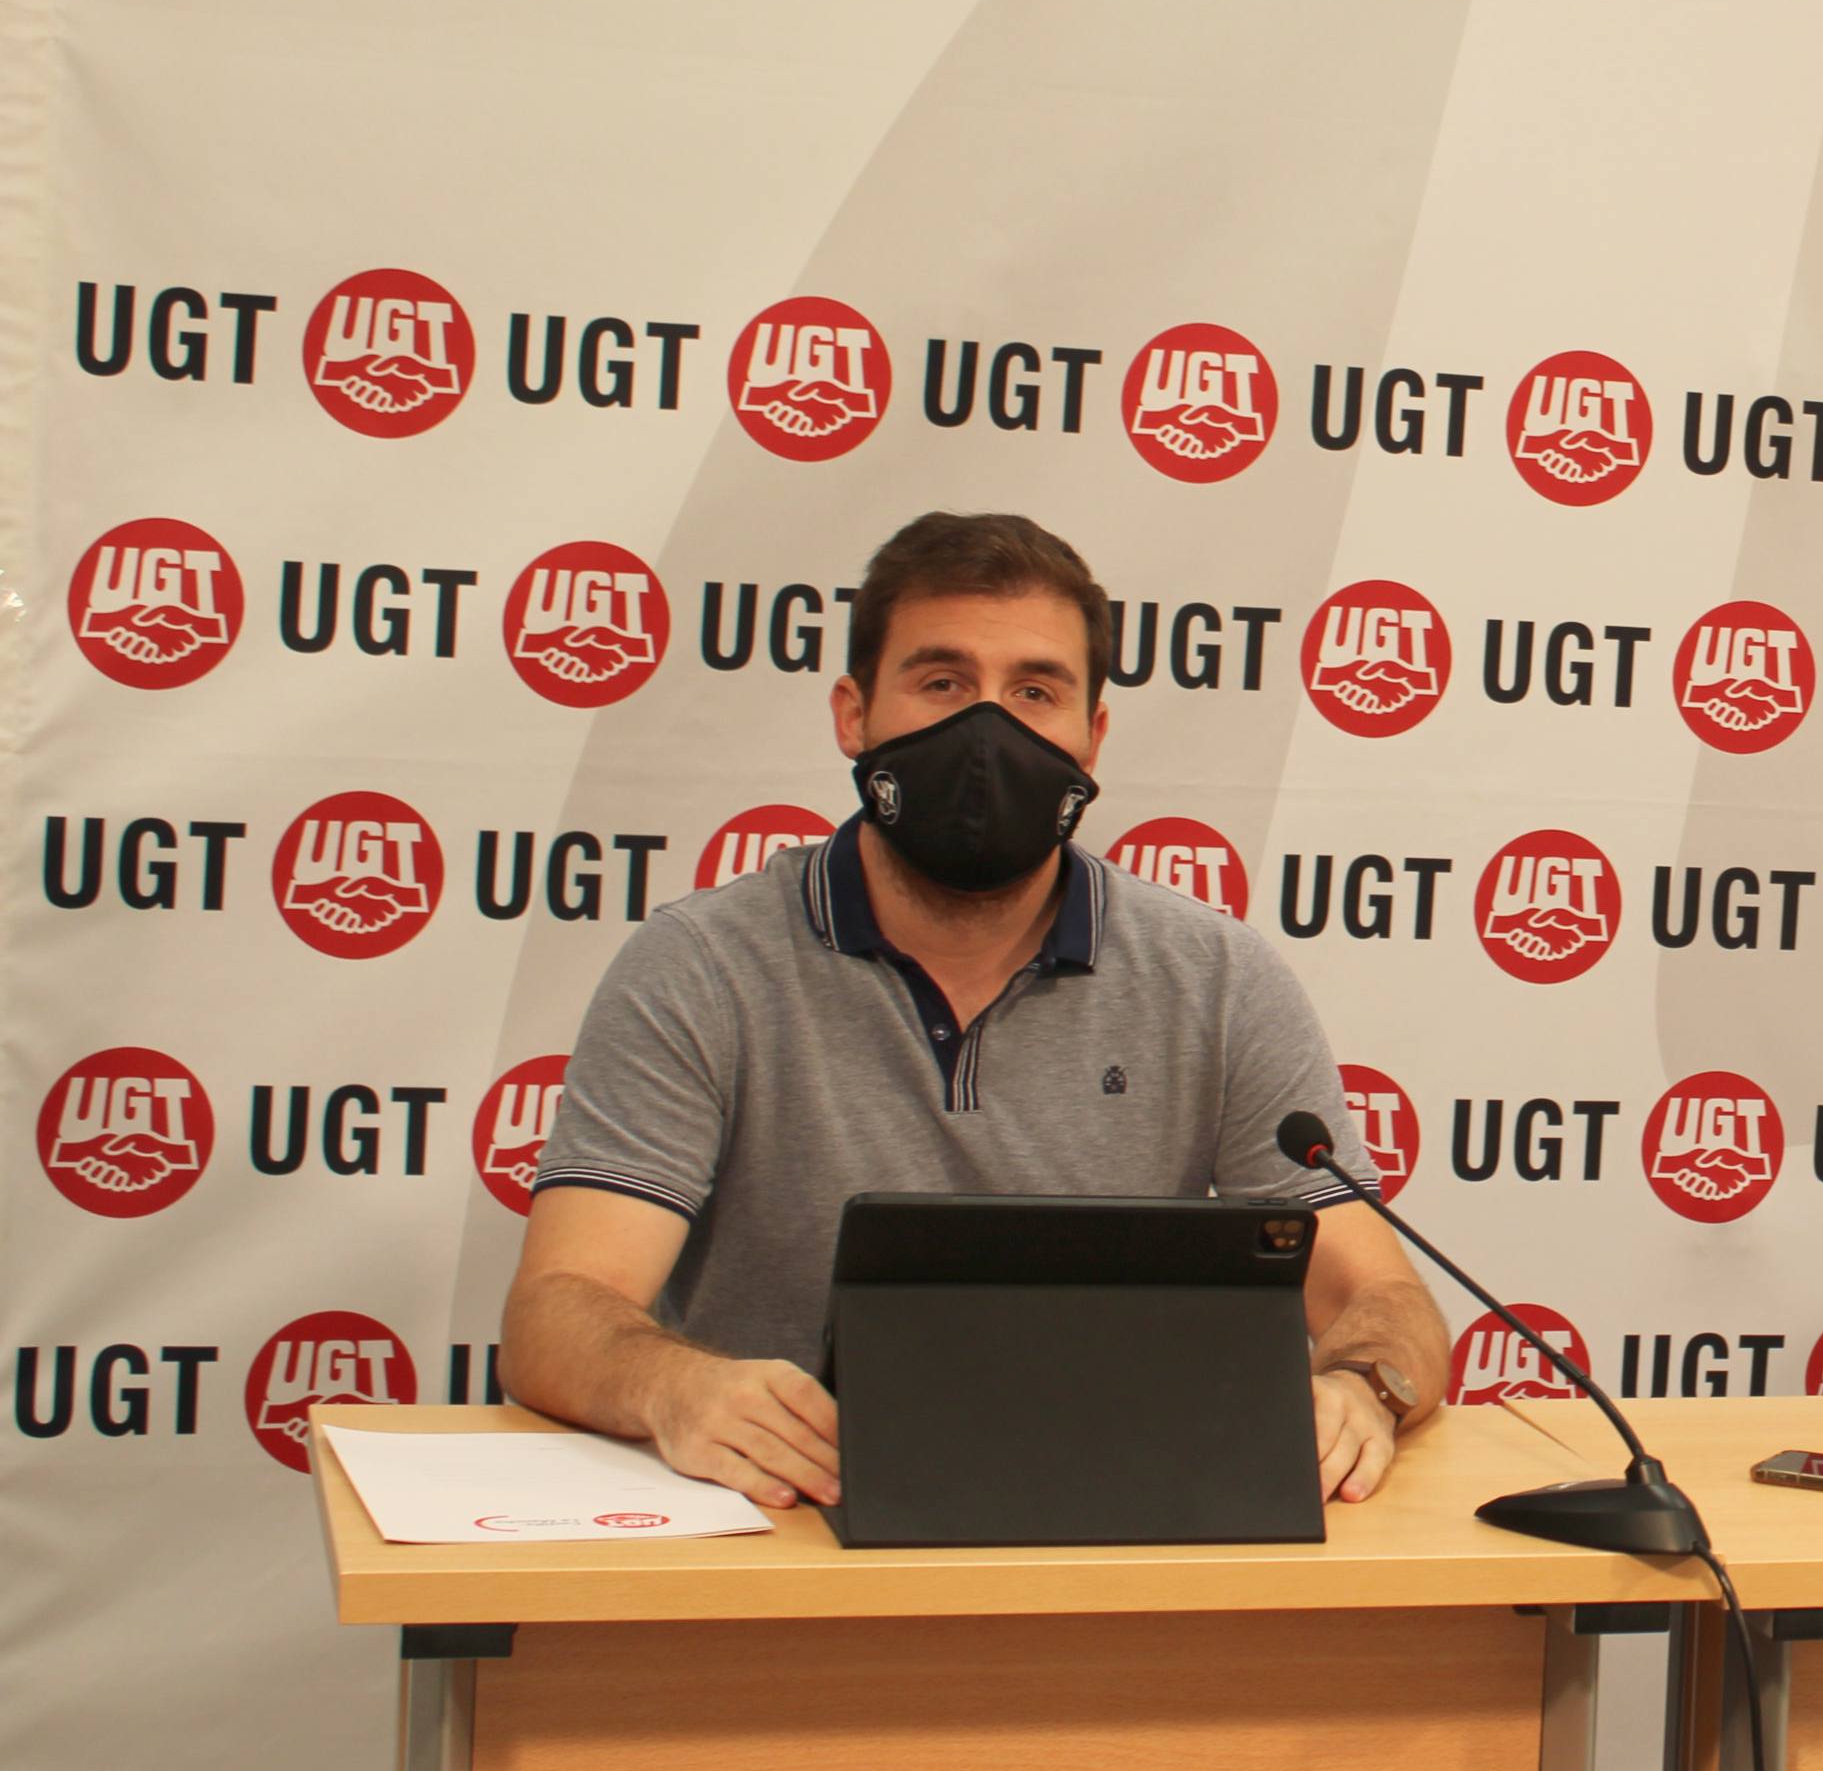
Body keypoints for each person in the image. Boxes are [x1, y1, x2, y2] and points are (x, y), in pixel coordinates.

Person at [500, 512, 1448, 1509]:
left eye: (1035, 691)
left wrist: (1362, 1388)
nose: (987, 730)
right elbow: (558, 1313)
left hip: (1122, 1523)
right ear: (853, 714)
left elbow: (1381, 1298)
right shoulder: (699, 967)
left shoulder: (1214, 975)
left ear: (1094, 734)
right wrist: (672, 1384)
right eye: (942, 682)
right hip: (788, 1522)